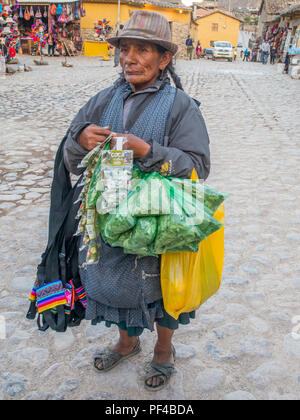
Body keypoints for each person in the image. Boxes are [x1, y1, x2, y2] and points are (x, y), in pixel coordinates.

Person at [63, 10, 210, 391]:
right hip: (109, 218)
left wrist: (148, 150)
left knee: (162, 286)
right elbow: (70, 153)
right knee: (114, 281)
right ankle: (127, 342)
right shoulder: (102, 100)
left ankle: (163, 349)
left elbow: (197, 165)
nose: (130, 58)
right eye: (124, 49)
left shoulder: (181, 106)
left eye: (143, 50)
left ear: (164, 60)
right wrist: (80, 141)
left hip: (158, 224)